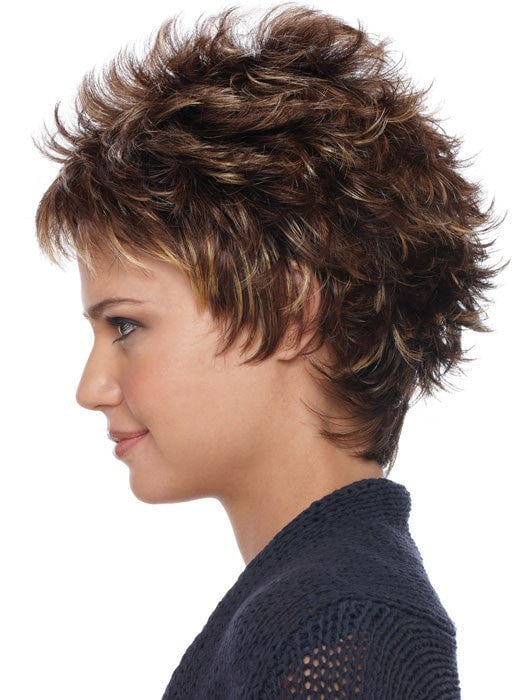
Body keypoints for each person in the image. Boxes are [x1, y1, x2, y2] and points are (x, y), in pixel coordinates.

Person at [33, 4, 508, 697]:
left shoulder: (346, 632)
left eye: (125, 326)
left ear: (291, 313)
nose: (92, 388)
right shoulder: (309, 609)